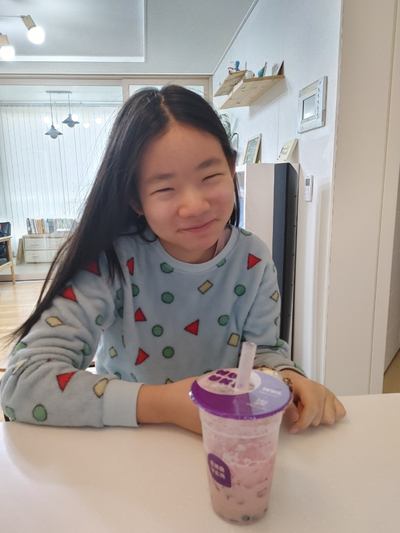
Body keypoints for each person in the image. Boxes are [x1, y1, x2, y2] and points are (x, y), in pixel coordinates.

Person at [0, 86, 346, 434]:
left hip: (222, 439)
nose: (194, 206)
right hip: (128, 443)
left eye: (209, 177)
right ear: (136, 199)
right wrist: (165, 404)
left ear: (230, 168)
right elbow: (22, 382)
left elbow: (262, 353)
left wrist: (287, 377)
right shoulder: (110, 260)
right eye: (165, 189)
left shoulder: (252, 258)